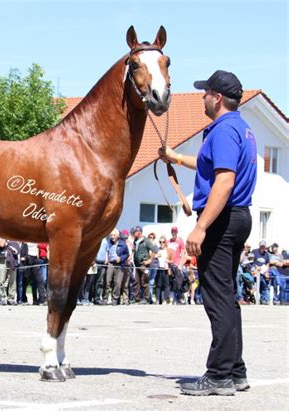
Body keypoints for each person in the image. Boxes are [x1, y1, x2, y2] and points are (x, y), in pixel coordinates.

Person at [159, 70, 256, 395]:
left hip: (222, 219)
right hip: (238, 217)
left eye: (205, 93)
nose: (201, 97)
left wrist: (201, 227)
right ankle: (236, 371)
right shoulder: (239, 128)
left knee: (217, 299)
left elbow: (224, 180)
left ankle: (218, 375)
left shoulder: (223, 130)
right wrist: (175, 157)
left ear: (216, 98)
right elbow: (207, 161)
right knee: (227, 297)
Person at [132, 226, 158, 304]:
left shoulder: (146, 241)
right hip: (137, 265)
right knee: (136, 282)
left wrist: (150, 260)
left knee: (144, 282)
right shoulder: (135, 241)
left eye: (134, 232)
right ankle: (137, 300)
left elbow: (155, 250)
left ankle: (146, 299)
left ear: (139, 232)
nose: (133, 233)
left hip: (144, 265)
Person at [104, 229, 129, 305]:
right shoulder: (108, 243)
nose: (112, 237)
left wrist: (120, 258)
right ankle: (105, 298)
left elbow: (127, 254)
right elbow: (106, 251)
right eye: (111, 235)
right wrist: (107, 258)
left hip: (119, 265)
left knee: (117, 283)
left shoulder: (123, 244)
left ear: (118, 236)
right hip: (111, 264)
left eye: (114, 235)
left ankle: (115, 299)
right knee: (107, 281)